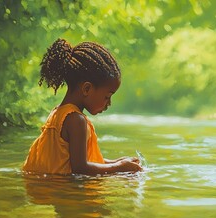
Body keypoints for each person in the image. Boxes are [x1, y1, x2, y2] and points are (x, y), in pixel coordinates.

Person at [23, 39, 142, 175]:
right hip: (61, 192)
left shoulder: (58, 113)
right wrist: (118, 168)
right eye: (107, 96)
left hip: (45, 190)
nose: (109, 104)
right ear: (87, 89)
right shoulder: (76, 120)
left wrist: (115, 162)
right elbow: (80, 168)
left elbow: (71, 161)